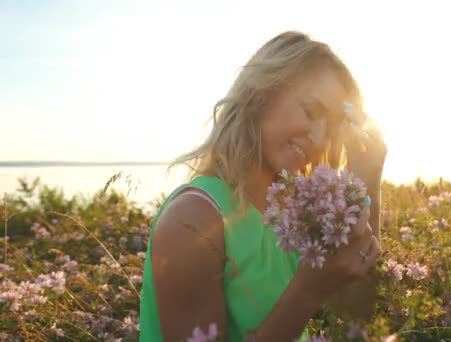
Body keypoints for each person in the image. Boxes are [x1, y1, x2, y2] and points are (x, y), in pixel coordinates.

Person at [139, 31, 387, 342]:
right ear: (263, 93)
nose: (320, 138)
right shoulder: (193, 221)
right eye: (311, 112)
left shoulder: (291, 214)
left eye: (333, 127)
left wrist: (368, 184)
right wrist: (306, 292)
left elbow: (358, 317)